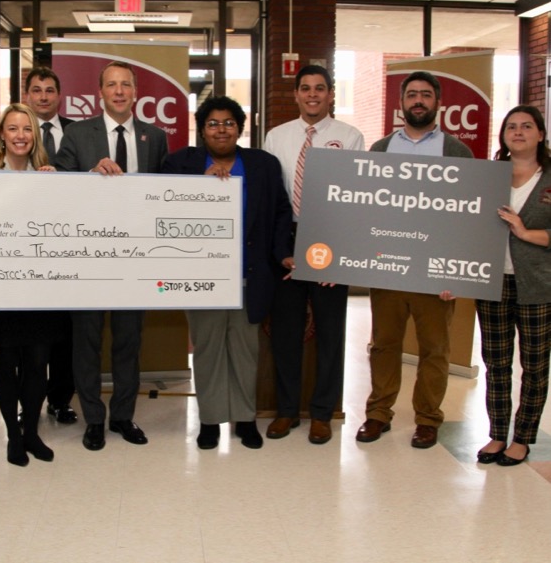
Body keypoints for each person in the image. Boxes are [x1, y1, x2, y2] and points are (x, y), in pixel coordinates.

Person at [162, 96, 292, 449]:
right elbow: (159, 203)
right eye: (213, 124)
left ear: (240, 128)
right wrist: (200, 186)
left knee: (244, 350)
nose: (221, 130)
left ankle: (245, 419)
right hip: (201, 277)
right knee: (207, 350)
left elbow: (281, 212)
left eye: (229, 123)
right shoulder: (181, 163)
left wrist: (283, 255)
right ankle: (209, 420)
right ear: (202, 130)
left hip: (249, 275)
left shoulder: (263, 164)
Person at [55, 60, 169, 451]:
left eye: (126, 85)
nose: (119, 91)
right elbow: (57, 190)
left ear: (136, 92)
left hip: (134, 260)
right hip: (88, 257)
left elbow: (163, 196)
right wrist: (89, 174)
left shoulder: (154, 138)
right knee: (85, 341)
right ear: (99, 92)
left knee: (128, 340)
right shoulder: (76, 134)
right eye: (111, 85)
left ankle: (122, 415)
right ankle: (93, 419)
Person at [356, 71, 473, 449]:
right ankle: (378, 413)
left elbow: (469, 213)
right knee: (384, 344)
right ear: (401, 104)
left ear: (438, 103)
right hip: (388, 264)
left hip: (435, 270)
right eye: (412, 95)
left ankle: (428, 418)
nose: (418, 101)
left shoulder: (457, 152)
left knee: (434, 348)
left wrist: (455, 270)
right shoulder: (381, 149)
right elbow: (367, 207)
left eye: (425, 95)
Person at [263, 64, 365, 444]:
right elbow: (273, 200)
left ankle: (322, 413)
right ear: (296, 95)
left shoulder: (350, 137)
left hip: (330, 238)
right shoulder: (277, 137)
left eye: (320, 89)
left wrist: (338, 253)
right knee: (285, 333)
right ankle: (287, 411)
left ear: (331, 94)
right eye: (305, 88)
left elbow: (354, 200)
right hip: (288, 238)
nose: (312, 95)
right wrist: (281, 251)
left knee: (330, 332)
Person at [0, 103, 69, 465]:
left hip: (41, 286)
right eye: (12, 129)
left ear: (36, 136)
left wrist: (51, 189)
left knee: (38, 361)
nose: (20, 136)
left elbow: (61, 230)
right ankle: (13, 436)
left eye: (27, 129)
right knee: (6, 361)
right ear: (2, 134)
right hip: (2, 286)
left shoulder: (49, 176)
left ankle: (31, 431)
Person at [474, 105, 551, 466]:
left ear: (540, 134)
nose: (518, 132)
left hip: (538, 284)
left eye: (526, 126)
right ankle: (497, 434)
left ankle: (522, 438)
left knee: (534, 364)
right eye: (511, 127)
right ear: (503, 135)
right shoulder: (490, 176)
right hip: (492, 281)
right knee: (497, 362)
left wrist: (524, 232)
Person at [23, 66, 78, 424]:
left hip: (73, 246)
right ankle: (29, 400)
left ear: (60, 95)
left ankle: (60, 399)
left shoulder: (79, 133)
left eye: (49, 90)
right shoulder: (16, 133)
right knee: (32, 334)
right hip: (27, 248)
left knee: (68, 334)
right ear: (27, 95)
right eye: (37, 90)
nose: (43, 96)